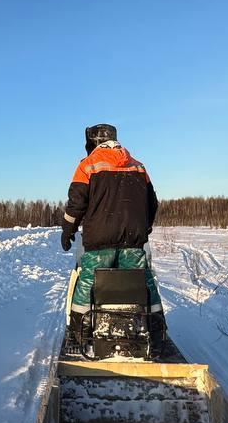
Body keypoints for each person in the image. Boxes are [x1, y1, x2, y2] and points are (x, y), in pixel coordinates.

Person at [61, 123, 165, 347]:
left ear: (93, 143)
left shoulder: (87, 166)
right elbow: (152, 203)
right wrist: (143, 227)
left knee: (88, 281)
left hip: (99, 241)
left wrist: (67, 230)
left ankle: (79, 332)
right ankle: (156, 331)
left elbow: (76, 205)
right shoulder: (138, 167)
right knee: (142, 281)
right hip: (133, 240)